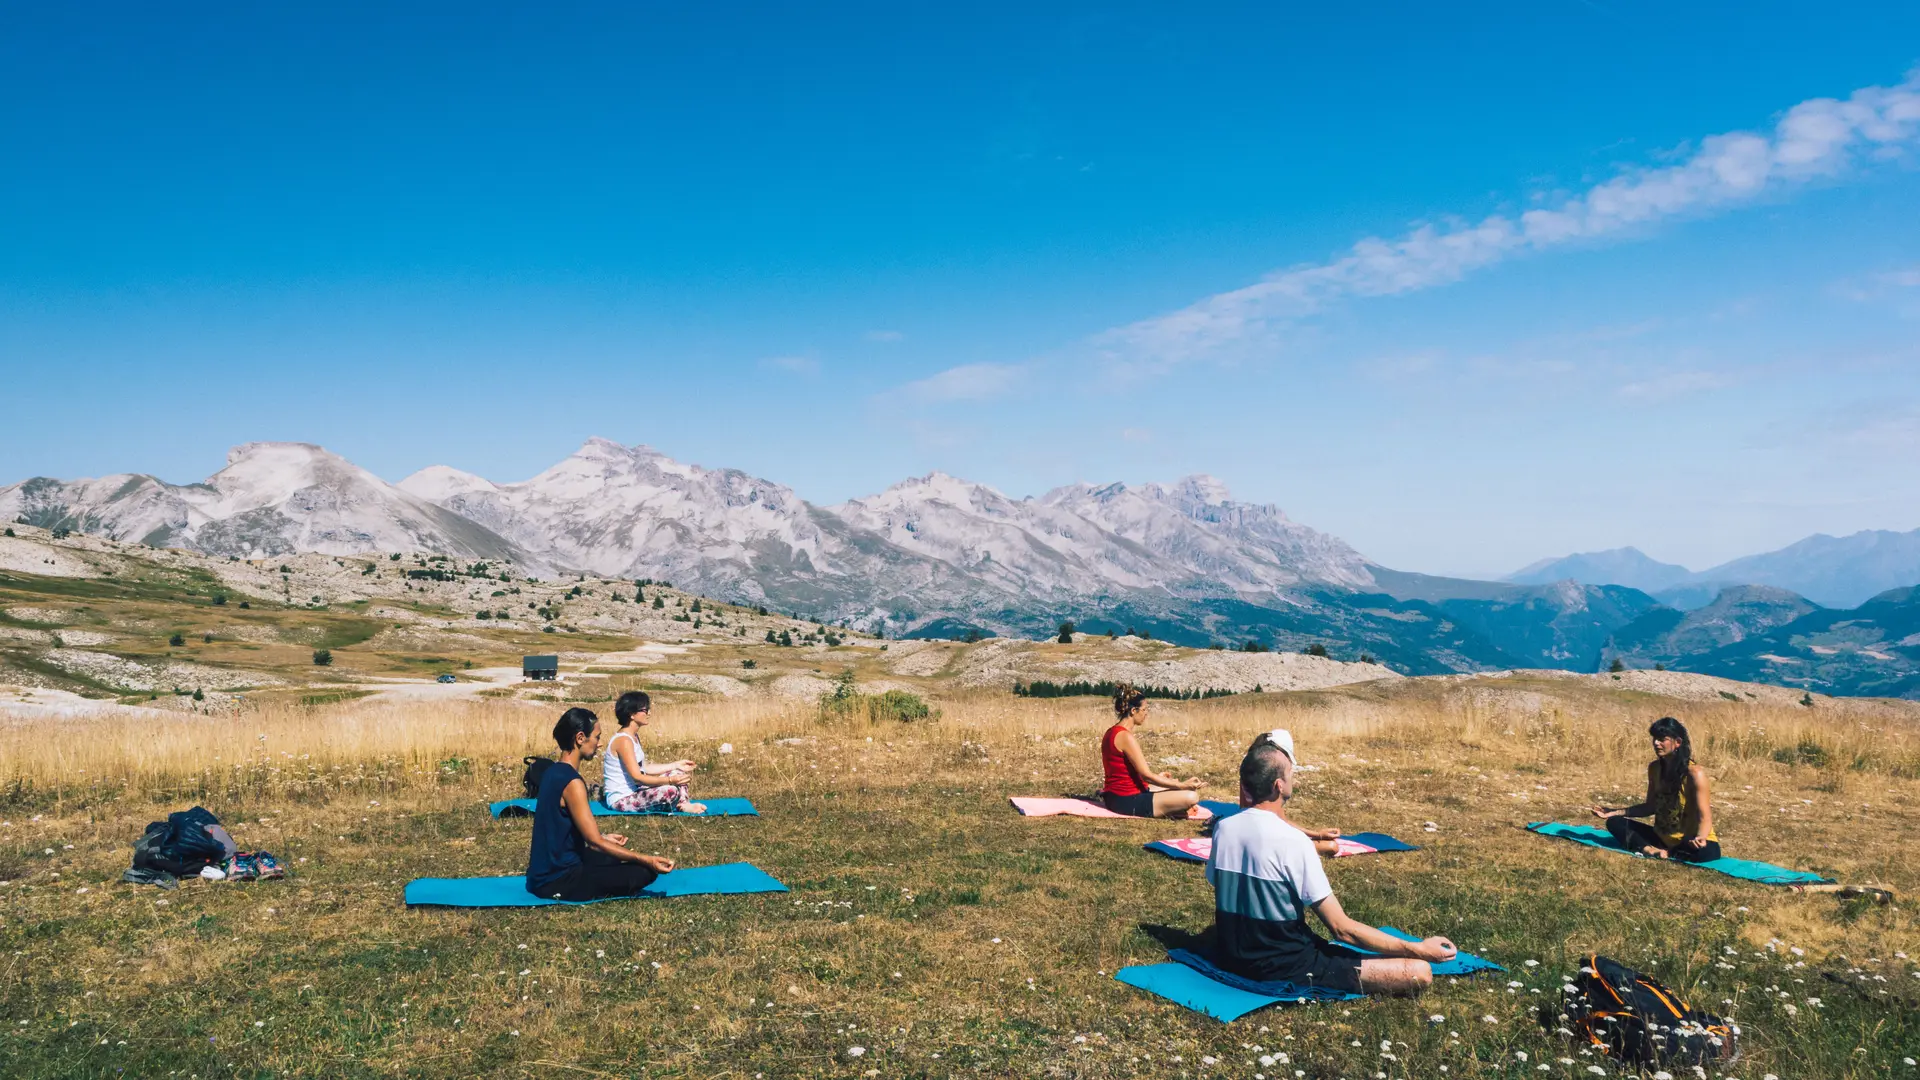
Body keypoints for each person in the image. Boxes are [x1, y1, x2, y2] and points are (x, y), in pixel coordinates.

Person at [1206, 734, 1454, 996]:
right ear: (1279, 785)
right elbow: (1342, 930)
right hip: (1284, 965)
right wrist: (1419, 948)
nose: (1294, 778)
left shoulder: (1223, 828)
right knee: (1419, 972)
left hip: (1233, 955)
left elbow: (1218, 883)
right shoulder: (1294, 841)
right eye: (1291, 773)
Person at [527, 708, 677, 901]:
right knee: (644, 872)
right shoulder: (573, 783)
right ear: (580, 738)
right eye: (597, 737)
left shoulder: (551, 771)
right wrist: (646, 859)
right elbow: (594, 842)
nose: (599, 744)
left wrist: (604, 837)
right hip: (558, 881)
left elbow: (561, 828)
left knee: (611, 857)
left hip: (541, 874)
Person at [1590, 716, 1720, 862]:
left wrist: (1701, 837)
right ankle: (1650, 850)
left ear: (1677, 742)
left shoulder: (1695, 774)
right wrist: (1613, 812)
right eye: (1654, 739)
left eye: (1662, 739)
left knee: (1707, 852)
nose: (1656, 743)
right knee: (1615, 822)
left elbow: (1705, 816)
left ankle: (1667, 852)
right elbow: (1650, 807)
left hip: (1689, 840)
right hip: (1661, 837)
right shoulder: (1654, 768)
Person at [1099, 683, 1203, 817]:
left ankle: (1176, 807)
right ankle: (1176, 809)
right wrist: (1183, 786)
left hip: (1114, 797)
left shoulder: (1111, 732)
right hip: (1127, 801)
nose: (1146, 713)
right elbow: (1146, 775)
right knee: (1191, 796)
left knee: (1172, 783)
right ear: (1133, 711)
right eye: (1144, 709)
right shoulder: (1125, 736)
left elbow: (1125, 772)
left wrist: (1168, 781)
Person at [603, 690, 705, 815]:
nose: (649, 713)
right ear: (631, 714)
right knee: (671, 790)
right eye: (645, 710)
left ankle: (683, 804)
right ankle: (678, 803)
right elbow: (638, 777)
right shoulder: (623, 741)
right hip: (621, 799)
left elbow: (644, 768)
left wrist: (675, 765)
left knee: (679, 772)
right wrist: (670, 780)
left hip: (636, 791)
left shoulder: (633, 736)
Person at [1254, 728, 1344, 859]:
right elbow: (1280, 823)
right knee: (1330, 847)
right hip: (1264, 842)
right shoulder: (1274, 780)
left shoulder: (1252, 769)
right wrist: (1316, 836)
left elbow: (1280, 820)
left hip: (1255, 835)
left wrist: (1317, 835)